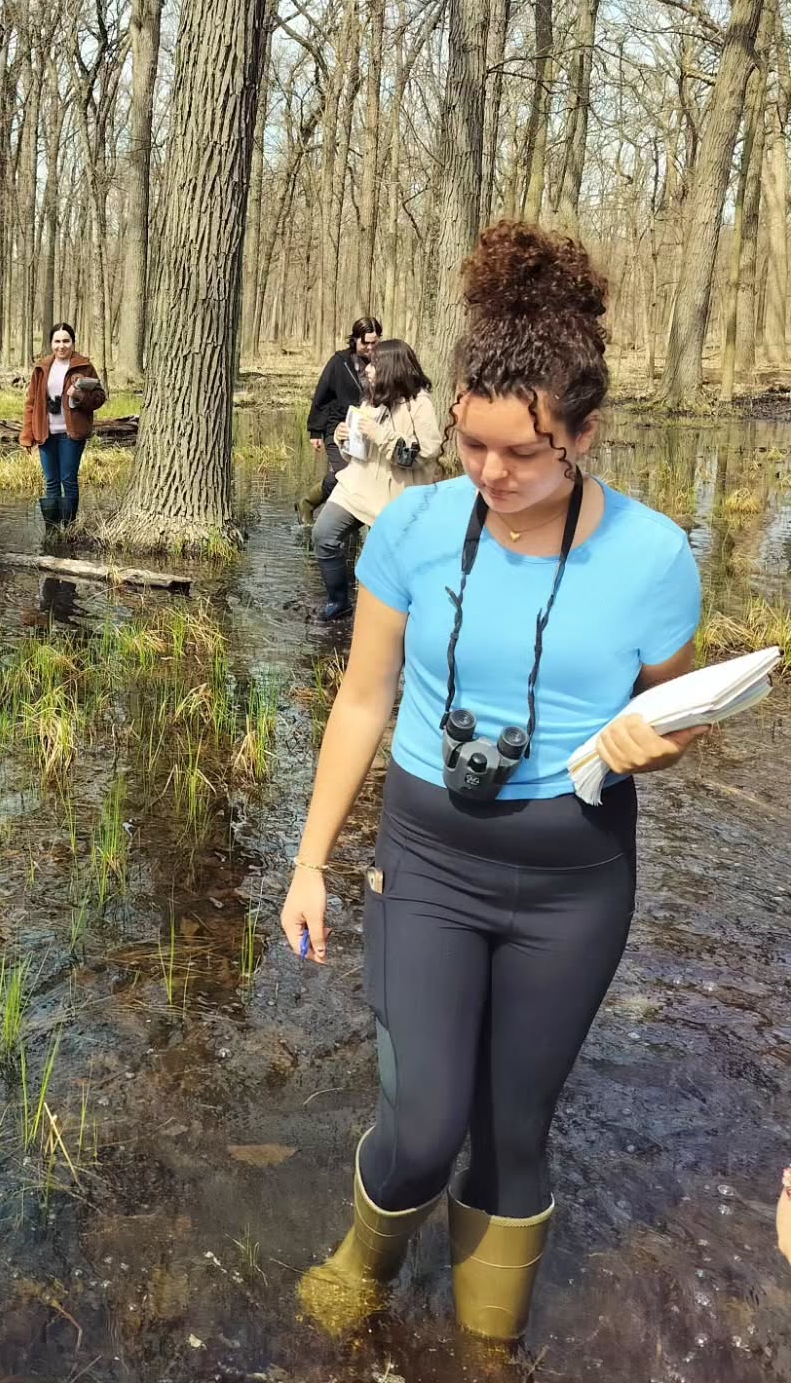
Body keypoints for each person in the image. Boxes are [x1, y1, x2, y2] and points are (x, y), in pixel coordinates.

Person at [281, 223, 706, 1343]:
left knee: (515, 1131)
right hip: (428, 861)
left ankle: (486, 1349)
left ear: (586, 435)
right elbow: (364, 700)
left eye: (523, 453)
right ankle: (363, 1268)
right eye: (472, 444)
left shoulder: (656, 559)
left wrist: (657, 742)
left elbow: (674, 713)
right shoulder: (414, 529)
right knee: (422, 1126)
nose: (491, 474)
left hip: (574, 885)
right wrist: (312, 860)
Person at [313, 339, 441, 622]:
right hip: (356, 486)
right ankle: (339, 601)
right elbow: (355, 454)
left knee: (381, 565)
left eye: (374, 365)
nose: (368, 370)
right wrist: (344, 439)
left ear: (392, 369)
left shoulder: (420, 406)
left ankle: (392, 618)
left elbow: (419, 455)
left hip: (394, 498)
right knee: (323, 536)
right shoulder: (371, 400)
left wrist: (378, 434)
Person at [18, 322, 107, 527]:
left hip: (71, 434)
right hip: (45, 432)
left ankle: (68, 528)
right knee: (51, 482)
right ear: (51, 343)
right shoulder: (42, 368)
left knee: (68, 480)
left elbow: (99, 398)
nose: (61, 346)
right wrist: (27, 435)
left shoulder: (84, 366)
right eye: (57, 341)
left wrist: (79, 396)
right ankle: (52, 530)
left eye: (66, 341)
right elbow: (31, 402)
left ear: (73, 342)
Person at [306, 317, 382, 509]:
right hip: (337, 427)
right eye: (366, 343)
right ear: (355, 339)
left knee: (361, 476)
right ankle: (308, 503)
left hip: (370, 430)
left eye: (375, 342)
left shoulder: (384, 361)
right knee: (347, 475)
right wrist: (316, 431)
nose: (371, 348)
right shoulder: (339, 362)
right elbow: (322, 395)